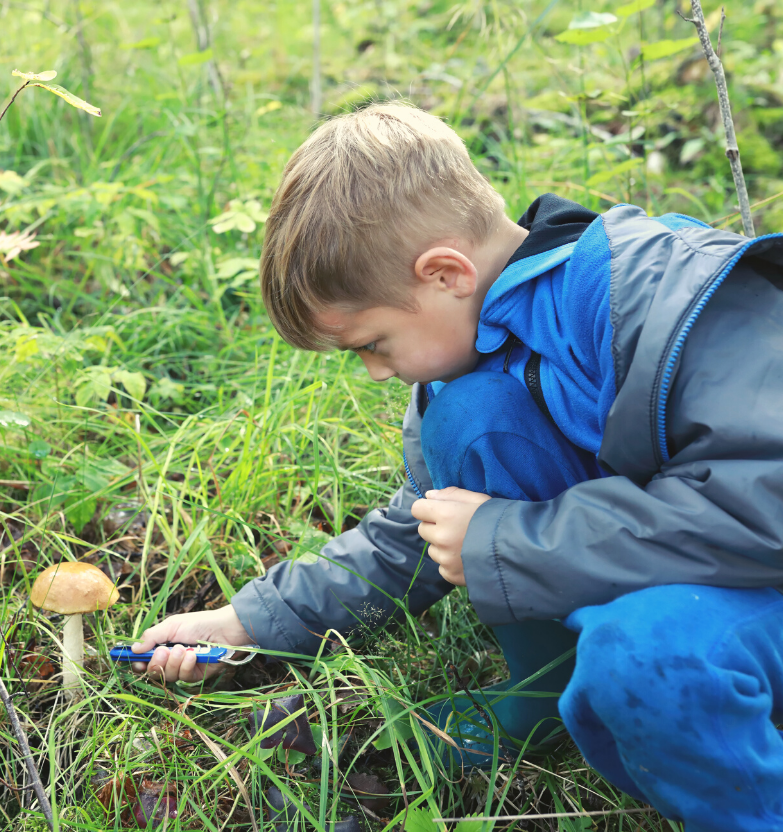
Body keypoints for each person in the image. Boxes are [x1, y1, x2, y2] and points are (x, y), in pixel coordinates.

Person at [129, 102, 783, 830]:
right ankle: (544, 695)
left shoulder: (666, 298)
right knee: (474, 418)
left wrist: (510, 539)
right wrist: (245, 622)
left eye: (371, 344)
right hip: (672, 562)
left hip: (760, 575)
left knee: (640, 657)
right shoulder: (467, 353)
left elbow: (764, 509)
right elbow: (419, 533)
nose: (376, 373)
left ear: (445, 273)